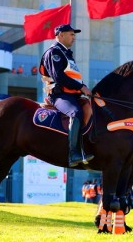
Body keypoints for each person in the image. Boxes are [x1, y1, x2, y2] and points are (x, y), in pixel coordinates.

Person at [39, 24, 94, 167]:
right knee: (75, 113)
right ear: (60, 35)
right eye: (71, 34)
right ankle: (72, 154)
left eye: (74, 35)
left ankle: (84, 149)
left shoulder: (67, 54)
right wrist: (81, 87)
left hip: (72, 94)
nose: (74, 37)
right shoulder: (54, 53)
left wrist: (84, 88)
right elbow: (59, 77)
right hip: (59, 95)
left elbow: (73, 77)